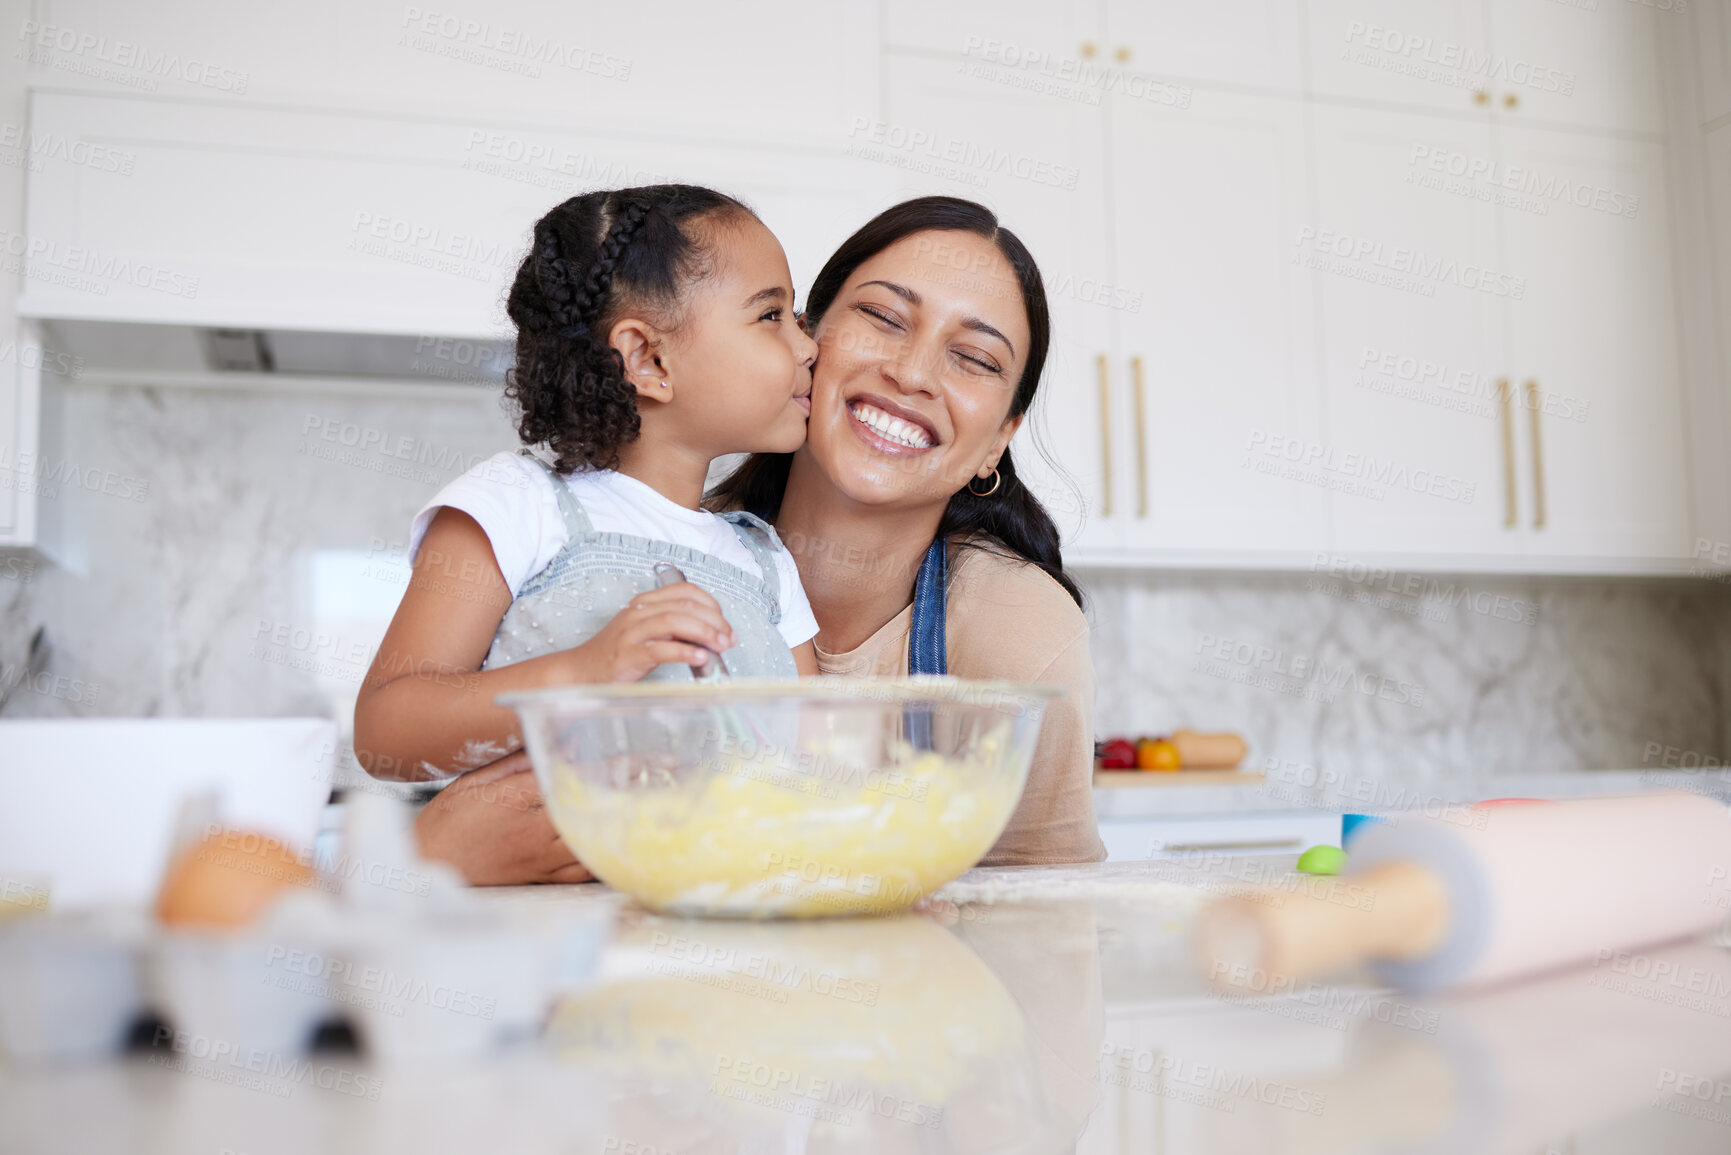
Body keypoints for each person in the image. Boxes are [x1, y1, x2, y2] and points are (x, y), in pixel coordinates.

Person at [415, 195, 1105, 882]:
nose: (912, 373)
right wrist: (436, 851)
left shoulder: (1020, 629)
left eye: (976, 359)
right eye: (883, 316)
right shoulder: (635, 534)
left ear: (999, 441)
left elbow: (1045, 933)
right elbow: (421, 752)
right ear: (810, 340)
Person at [352, 184, 821, 795]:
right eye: (770, 315)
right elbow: (387, 734)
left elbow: (816, 771)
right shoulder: (517, 506)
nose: (808, 345)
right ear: (648, 359)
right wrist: (584, 672)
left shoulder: (766, 563)